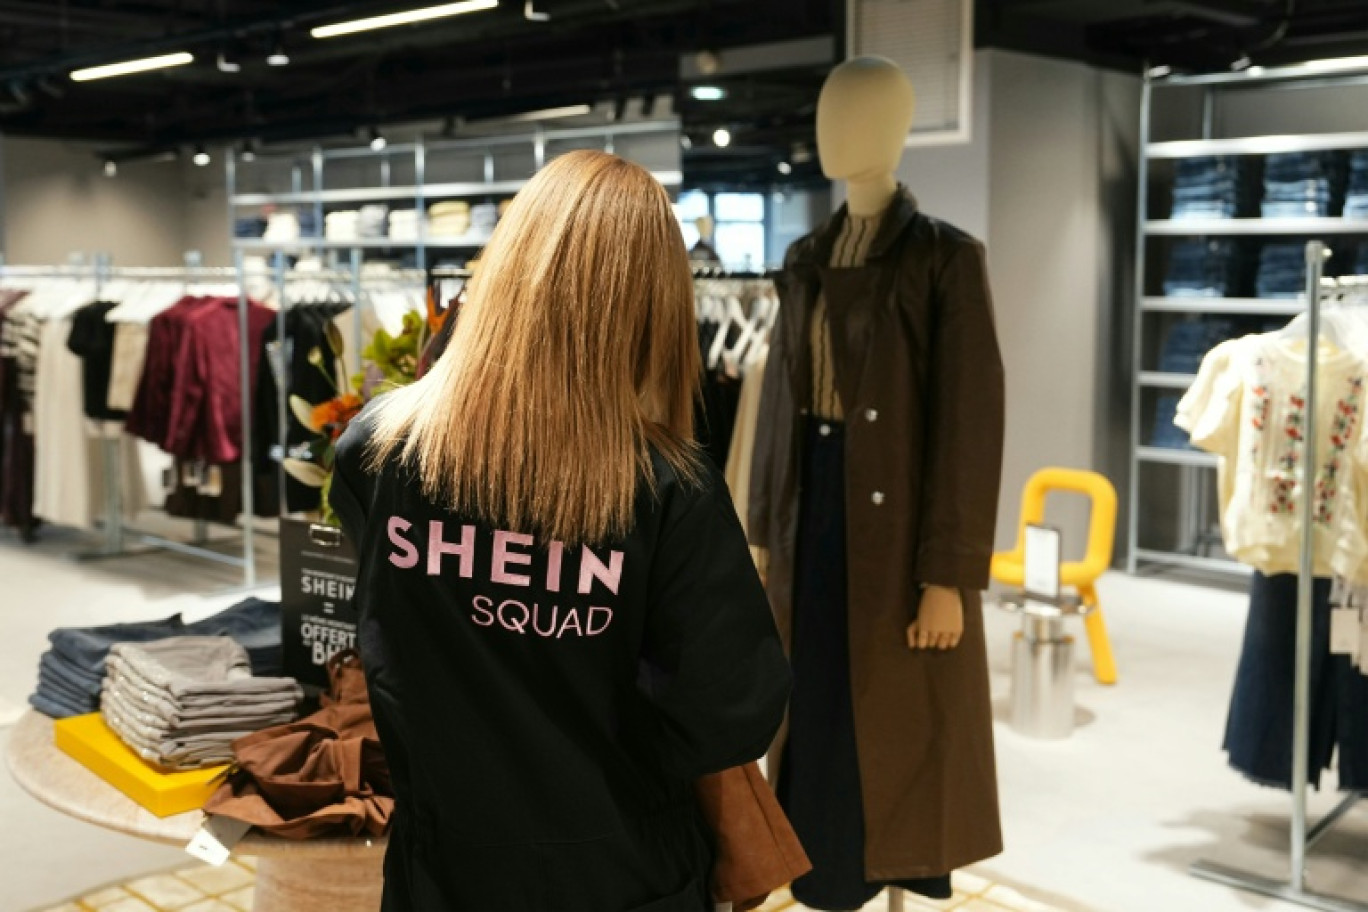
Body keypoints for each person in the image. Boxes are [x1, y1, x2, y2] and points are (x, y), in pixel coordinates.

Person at [329, 149, 791, 912]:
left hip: (445, 870)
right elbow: (727, 716)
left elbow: (397, 635)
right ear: (650, 303)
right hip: (620, 872)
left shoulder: (377, 449)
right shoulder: (667, 490)